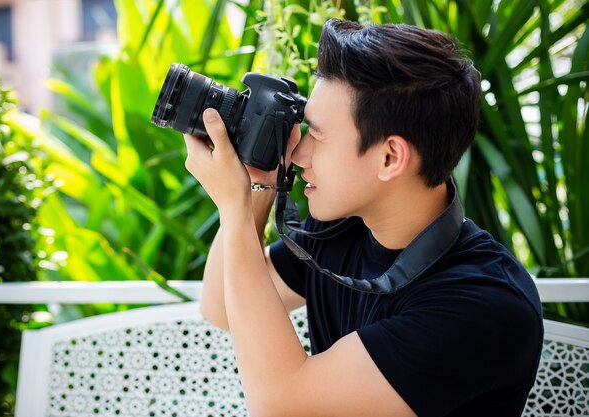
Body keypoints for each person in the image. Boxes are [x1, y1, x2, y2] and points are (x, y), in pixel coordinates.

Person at [183, 18, 543, 417]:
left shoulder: (482, 305)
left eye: (316, 136)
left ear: (390, 157)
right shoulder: (343, 229)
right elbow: (219, 306)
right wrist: (257, 187)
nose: (299, 156)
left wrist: (233, 211)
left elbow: (282, 406)